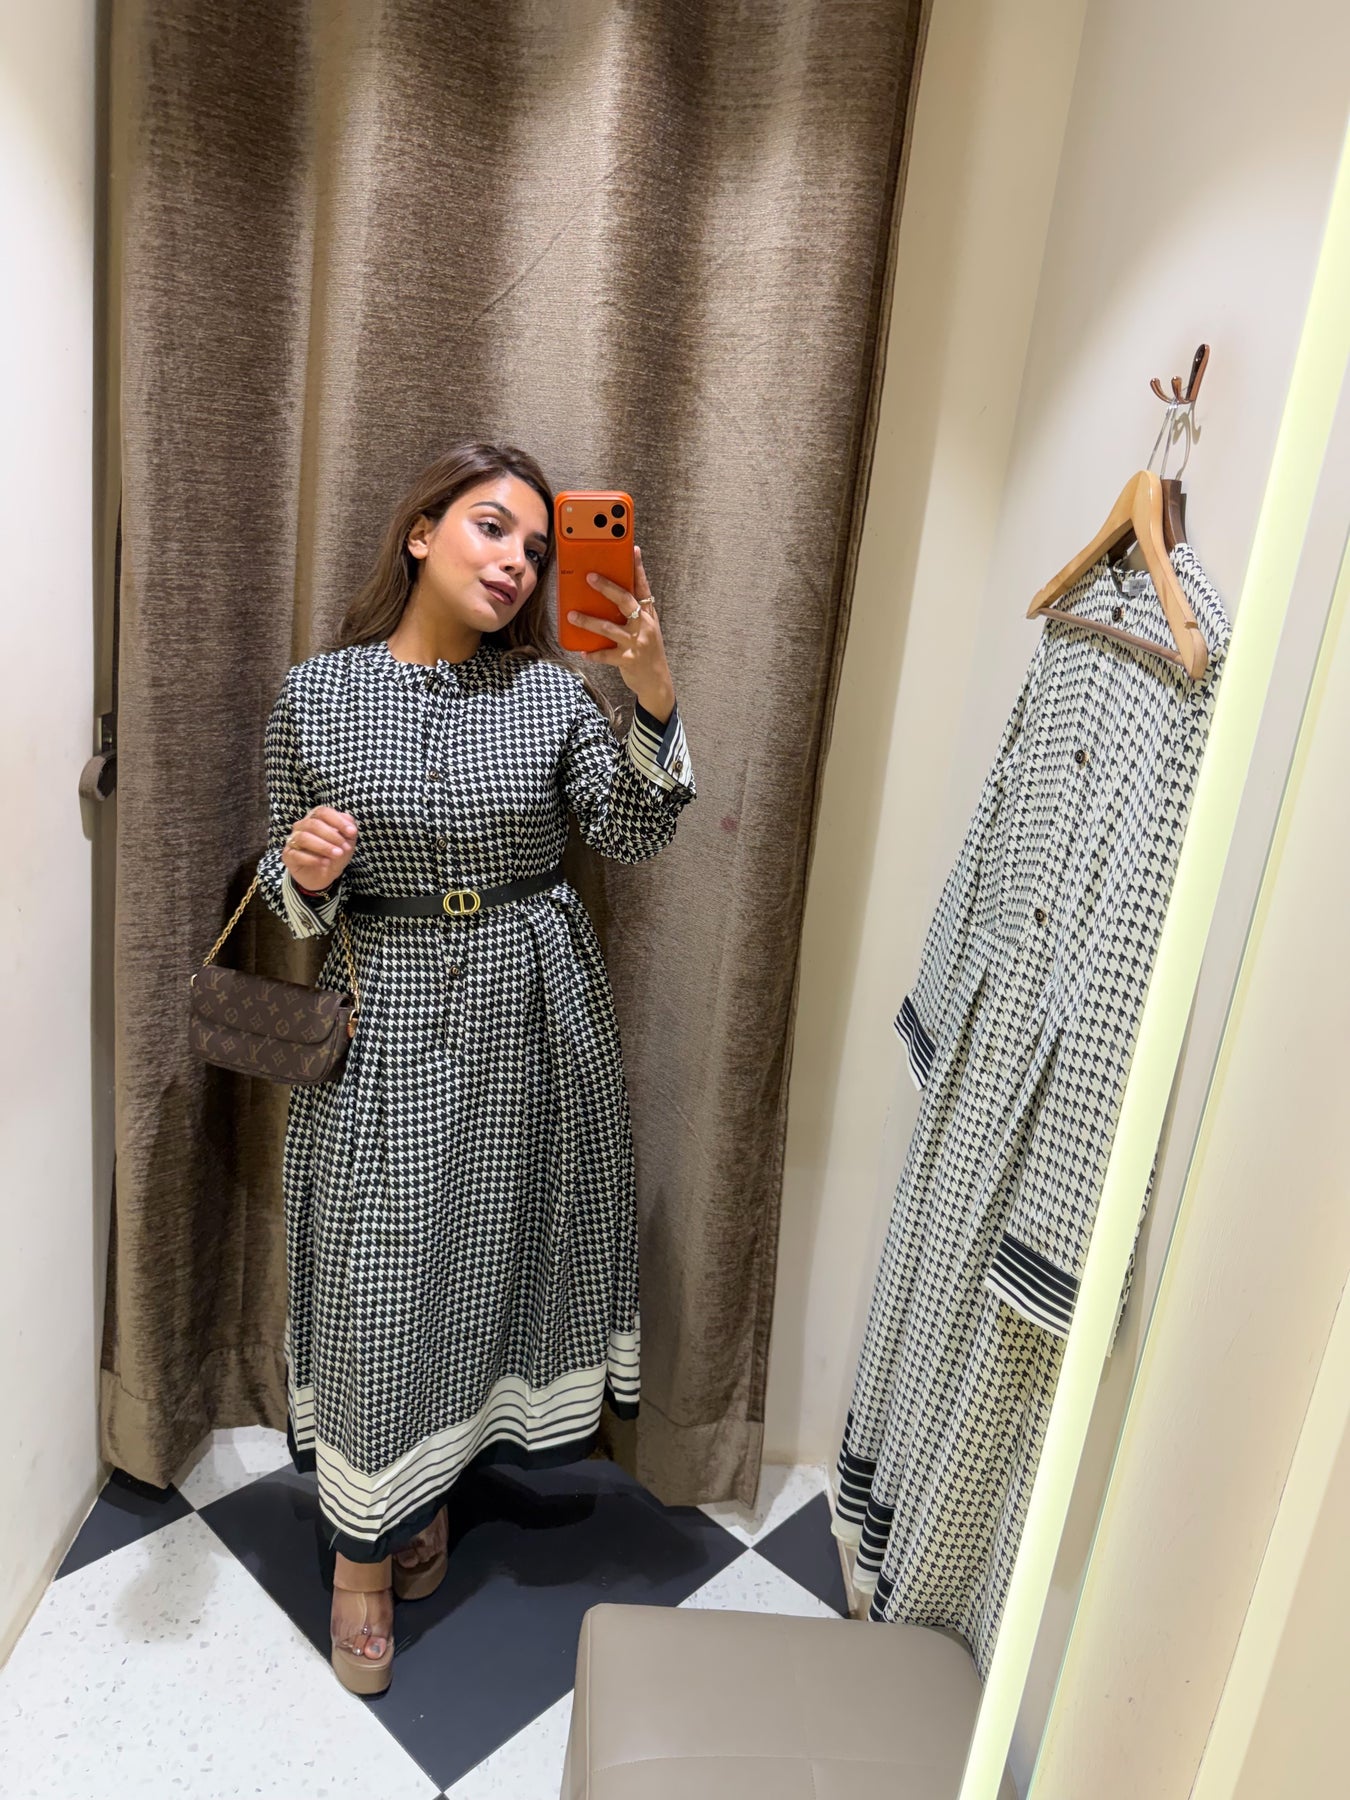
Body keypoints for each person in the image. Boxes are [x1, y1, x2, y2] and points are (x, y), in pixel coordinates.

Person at [256, 442, 696, 1693]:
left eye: (538, 551)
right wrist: (303, 870)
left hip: (535, 1014)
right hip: (386, 1012)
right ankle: (361, 1550)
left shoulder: (551, 697)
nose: (516, 564)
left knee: (488, 1259)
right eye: (492, 529)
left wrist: (652, 694)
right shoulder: (317, 695)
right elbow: (282, 903)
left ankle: (430, 1486)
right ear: (420, 532)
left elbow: (634, 830)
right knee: (382, 1277)